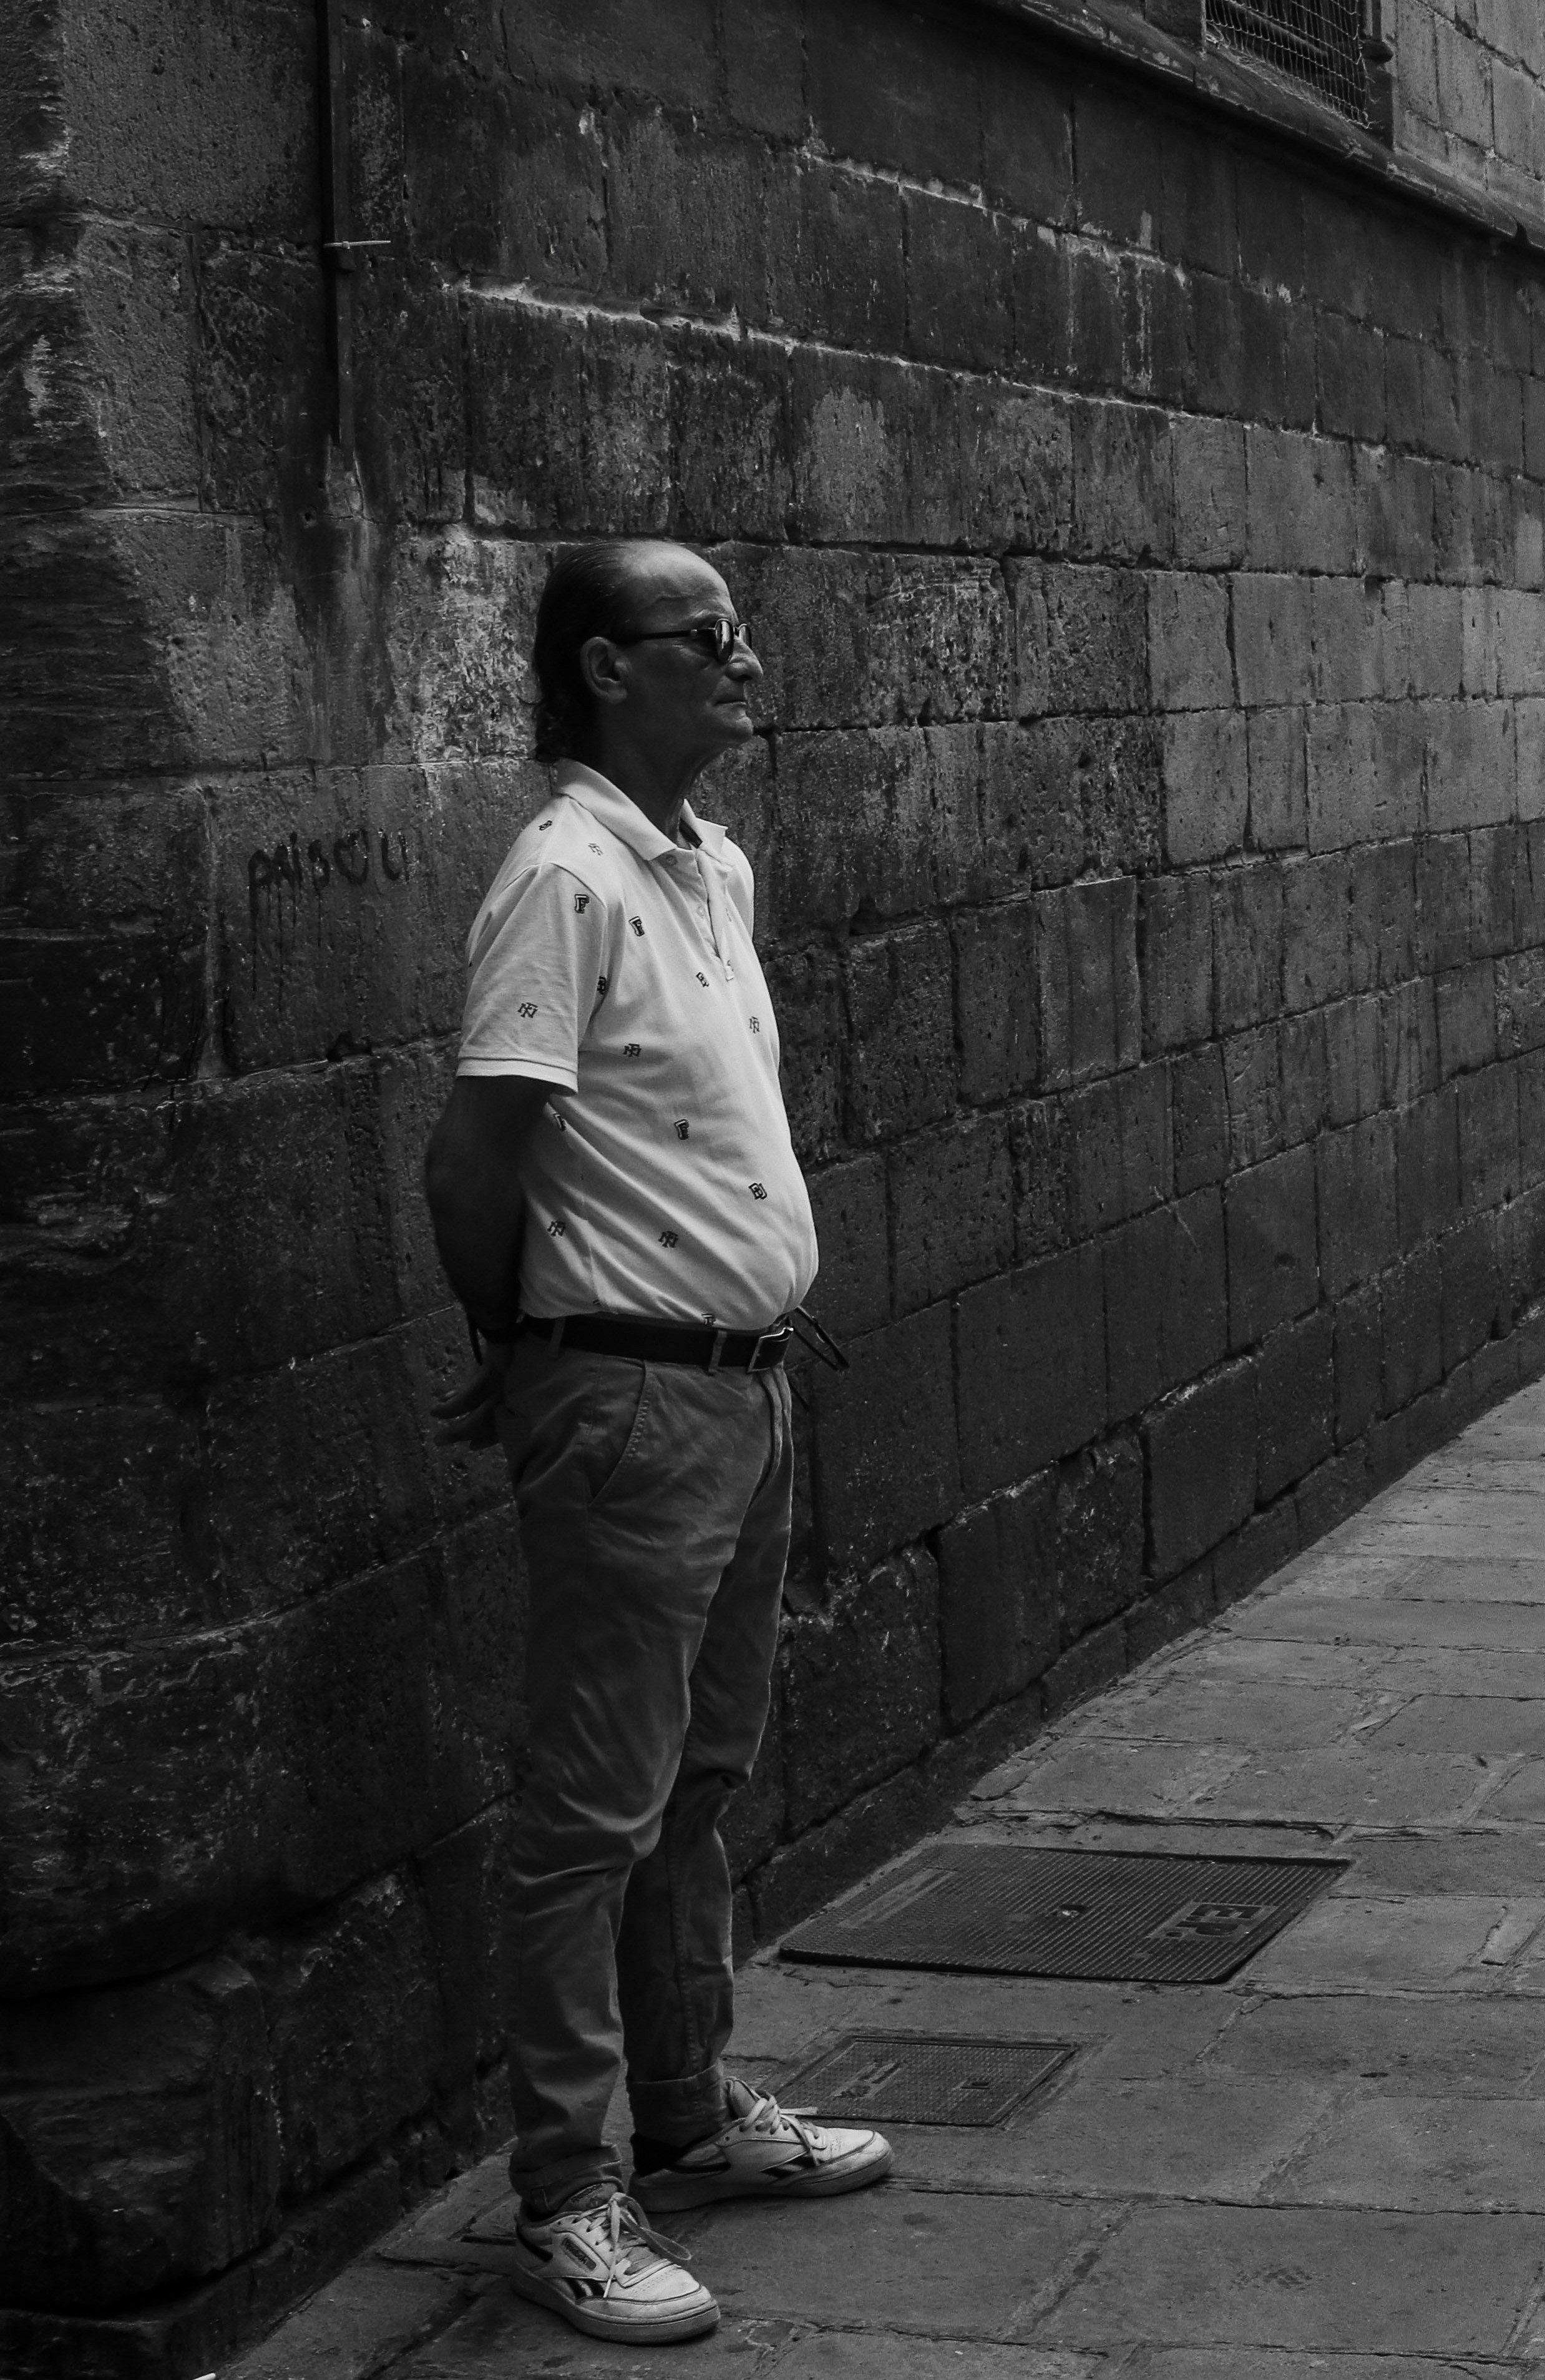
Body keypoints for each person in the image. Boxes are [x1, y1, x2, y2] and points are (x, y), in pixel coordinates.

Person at [424, 538, 890, 2346]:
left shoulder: (709, 866)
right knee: (590, 1809)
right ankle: (568, 2190)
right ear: (608, 668)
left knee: (700, 1774)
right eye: (708, 636)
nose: (745, 659)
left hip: (742, 1383)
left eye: (740, 630)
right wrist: (523, 1344)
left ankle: (686, 2112)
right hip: (627, 1389)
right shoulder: (564, 877)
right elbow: (478, 1151)